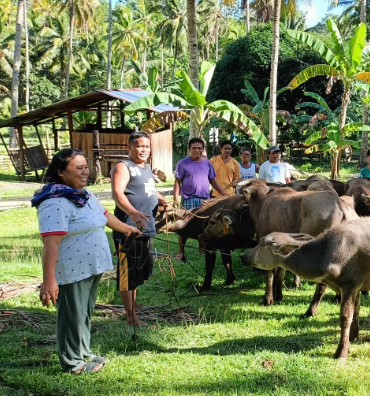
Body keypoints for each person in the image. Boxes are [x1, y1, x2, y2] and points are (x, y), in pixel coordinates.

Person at [34, 149, 140, 374]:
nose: (85, 172)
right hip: (72, 270)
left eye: (86, 167)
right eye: (78, 168)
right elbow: (51, 244)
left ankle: (84, 353)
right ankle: (73, 363)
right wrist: (49, 281)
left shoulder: (84, 195)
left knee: (84, 313)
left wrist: (127, 228)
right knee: (72, 316)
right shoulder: (54, 202)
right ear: (61, 172)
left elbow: (105, 216)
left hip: (91, 267)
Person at [110, 132, 169, 327]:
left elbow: (150, 188)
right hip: (128, 228)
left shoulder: (146, 168)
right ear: (129, 147)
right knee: (127, 272)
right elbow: (117, 194)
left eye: (147, 146)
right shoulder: (123, 167)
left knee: (139, 269)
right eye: (139, 146)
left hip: (145, 227)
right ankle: (131, 317)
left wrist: (162, 200)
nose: (144, 149)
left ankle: (133, 305)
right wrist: (133, 212)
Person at [173, 137, 227, 261]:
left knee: (204, 225)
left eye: (199, 148)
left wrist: (223, 193)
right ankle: (181, 251)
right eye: (194, 148)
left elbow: (213, 181)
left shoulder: (207, 163)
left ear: (203, 149)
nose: (197, 151)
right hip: (188, 198)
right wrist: (176, 198)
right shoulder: (182, 163)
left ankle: (202, 247)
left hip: (204, 200)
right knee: (183, 225)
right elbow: (177, 182)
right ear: (189, 149)